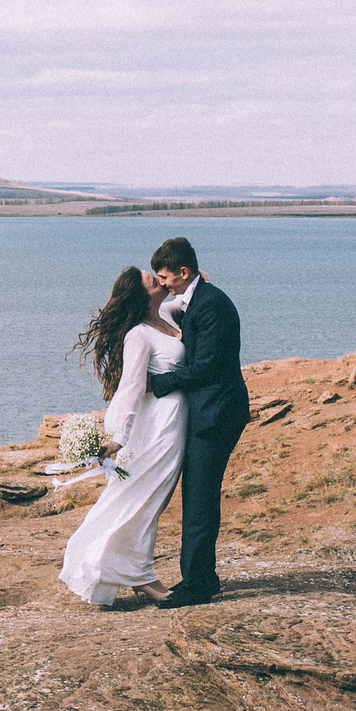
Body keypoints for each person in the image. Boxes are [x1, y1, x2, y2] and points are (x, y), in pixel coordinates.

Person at [58, 266, 189, 608]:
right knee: (140, 500)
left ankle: (122, 570)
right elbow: (130, 386)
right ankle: (142, 577)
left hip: (174, 423)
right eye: (154, 280)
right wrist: (118, 436)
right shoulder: (139, 335)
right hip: (156, 428)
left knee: (148, 500)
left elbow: (191, 294)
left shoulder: (166, 314)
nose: (163, 281)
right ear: (141, 295)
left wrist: (193, 280)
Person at [143, 236, 249, 608]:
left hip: (217, 415)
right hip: (209, 412)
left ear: (183, 272)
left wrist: (158, 382)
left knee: (200, 499)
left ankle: (200, 584)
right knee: (197, 496)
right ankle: (202, 576)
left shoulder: (212, 306)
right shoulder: (199, 300)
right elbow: (177, 311)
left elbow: (206, 368)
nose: (163, 284)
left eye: (166, 277)